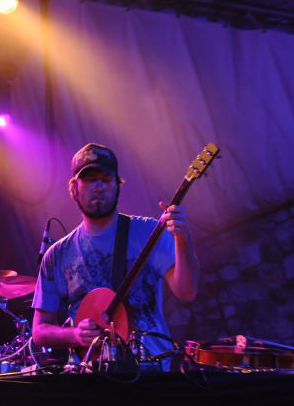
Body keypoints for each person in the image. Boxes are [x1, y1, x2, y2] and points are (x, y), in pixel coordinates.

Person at [31, 143, 199, 365]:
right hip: (89, 373)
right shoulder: (57, 255)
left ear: (118, 186)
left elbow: (187, 292)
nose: (99, 186)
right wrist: (75, 335)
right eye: (90, 180)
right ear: (74, 188)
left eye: (106, 179)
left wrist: (182, 238)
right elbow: (39, 331)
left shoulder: (151, 232)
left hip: (151, 368)